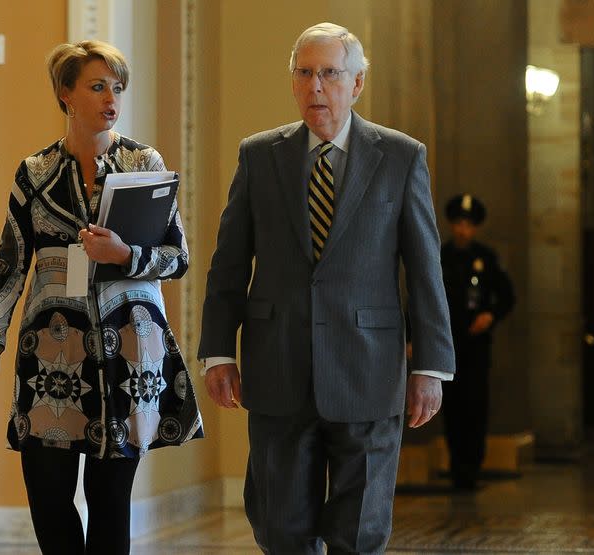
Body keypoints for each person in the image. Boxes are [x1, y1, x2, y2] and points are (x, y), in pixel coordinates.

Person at [198, 22, 455, 554]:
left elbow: (425, 269)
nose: (316, 86)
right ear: (293, 82)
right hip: (278, 368)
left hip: (369, 369)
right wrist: (218, 352)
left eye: (330, 74)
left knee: (359, 531)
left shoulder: (402, 157)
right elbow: (228, 265)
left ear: (357, 83)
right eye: (305, 73)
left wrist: (431, 365)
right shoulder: (259, 156)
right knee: (278, 526)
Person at [0, 40, 203, 555]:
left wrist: (125, 255)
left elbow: (178, 257)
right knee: (49, 496)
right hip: (51, 356)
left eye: (117, 88)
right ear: (65, 93)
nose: (111, 99)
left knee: (110, 500)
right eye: (97, 86)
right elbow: (9, 263)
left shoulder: (143, 161)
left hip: (128, 355)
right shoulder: (33, 172)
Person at [440, 194, 514, 491]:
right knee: (451, 407)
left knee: (475, 406)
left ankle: (472, 466)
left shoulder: (486, 258)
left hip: (475, 346)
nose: (463, 230)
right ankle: (458, 467)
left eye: (468, 225)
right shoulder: (441, 256)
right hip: (447, 343)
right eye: (458, 223)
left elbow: (507, 296)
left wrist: (490, 315)